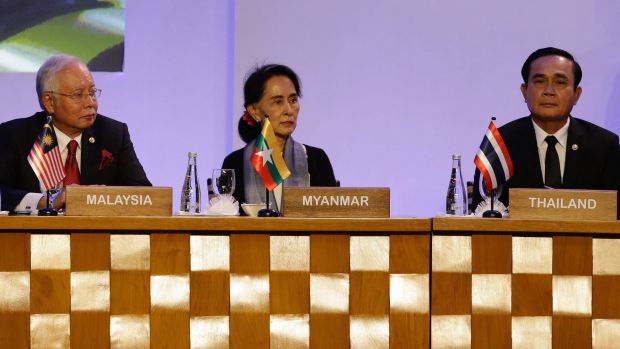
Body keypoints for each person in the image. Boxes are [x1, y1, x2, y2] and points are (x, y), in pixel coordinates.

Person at [473, 47, 620, 216]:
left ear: (576, 94)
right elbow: (482, 214)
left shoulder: (603, 146)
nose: (549, 91)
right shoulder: (500, 144)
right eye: (540, 81)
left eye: (560, 82)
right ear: (524, 91)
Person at [0, 54, 151, 212]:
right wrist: (49, 201)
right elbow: (3, 194)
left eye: (92, 93)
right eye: (78, 95)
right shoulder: (15, 135)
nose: (91, 103)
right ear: (49, 102)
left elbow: (144, 196)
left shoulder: (113, 134)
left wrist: (103, 197)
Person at [222, 64, 337, 209]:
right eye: (278, 102)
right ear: (254, 111)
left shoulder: (317, 160)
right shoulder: (234, 163)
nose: (289, 110)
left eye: (293, 100)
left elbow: (332, 220)